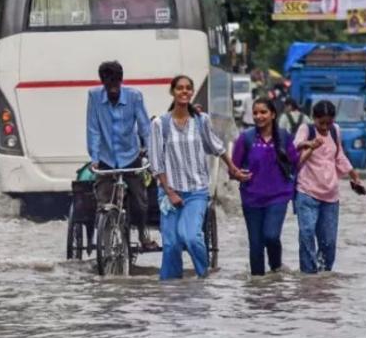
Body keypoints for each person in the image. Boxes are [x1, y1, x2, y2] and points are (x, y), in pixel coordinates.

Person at [148, 75, 250, 280]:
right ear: (172, 92)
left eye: (188, 88)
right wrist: (169, 192)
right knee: (171, 244)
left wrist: (234, 169)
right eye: (180, 88)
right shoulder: (160, 124)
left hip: (196, 191)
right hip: (169, 192)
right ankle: (170, 288)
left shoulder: (201, 120)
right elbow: (156, 162)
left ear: (192, 92)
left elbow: (217, 147)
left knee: (191, 237)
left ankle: (204, 277)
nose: (184, 91)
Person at [86, 60, 156, 250]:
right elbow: (93, 129)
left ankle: (143, 233)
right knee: (103, 200)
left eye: (116, 83)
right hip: (106, 158)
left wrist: (151, 154)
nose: (113, 88)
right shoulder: (94, 96)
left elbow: (145, 128)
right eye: (109, 84)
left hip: (130, 156)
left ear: (121, 80)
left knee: (140, 201)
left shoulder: (134, 96)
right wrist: (94, 158)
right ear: (103, 83)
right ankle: (107, 242)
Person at [294, 100, 365, 274]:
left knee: (328, 241)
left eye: (329, 123)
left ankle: (324, 277)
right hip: (307, 191)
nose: (325, 127)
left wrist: (354, 175)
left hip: (330, 194)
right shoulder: (306, 130)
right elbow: (296, 155)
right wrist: (310, 145)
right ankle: (309, 275)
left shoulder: (335, 130)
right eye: (321, 123)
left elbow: (339, 156)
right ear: (314, 119)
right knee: (307, 234)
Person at [232, 98, 300, 276]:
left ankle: (276, 267)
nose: (259, 116)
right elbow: (233, 168)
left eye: (263, 112)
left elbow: (295, 163)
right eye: (255, 113)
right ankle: (259, 286)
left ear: (273, 115)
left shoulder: (284, 137)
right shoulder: (246, 138)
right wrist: (237, 174)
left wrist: (309, 149)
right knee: (255, 245)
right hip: (251, 198)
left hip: (278, 196)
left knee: (271, 235)